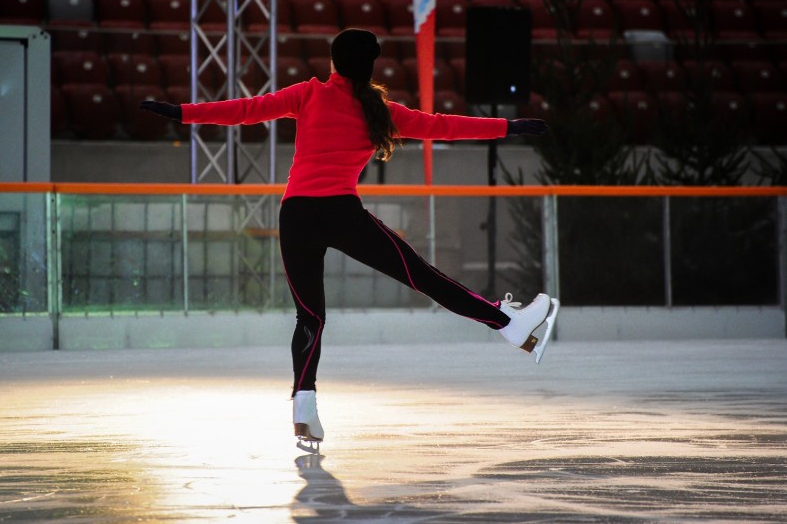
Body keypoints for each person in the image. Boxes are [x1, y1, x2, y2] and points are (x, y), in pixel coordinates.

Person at [140, 28, 558, 450]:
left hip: (297, 215)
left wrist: (182, 113)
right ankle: (506, 323)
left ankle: (304, 405)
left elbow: (247, 110)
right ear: (371, 65)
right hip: (342, 214)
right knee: (423, 277)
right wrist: (508, 126)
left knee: (310, 318)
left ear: (334, 62)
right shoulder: (381, 111)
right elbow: (443, 126)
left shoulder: (309, 94)